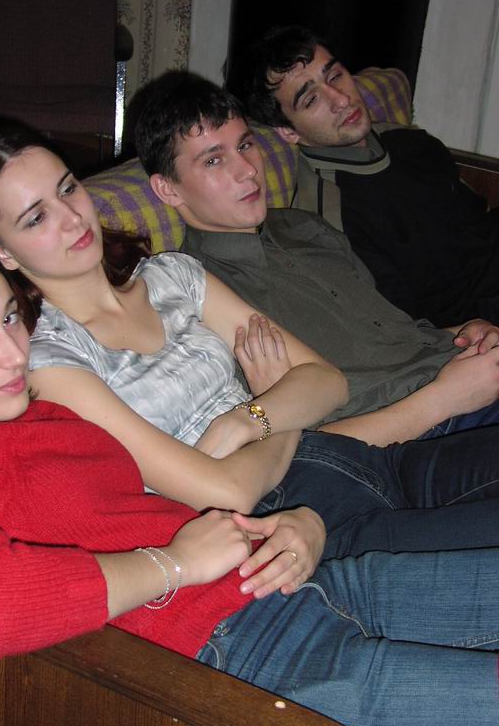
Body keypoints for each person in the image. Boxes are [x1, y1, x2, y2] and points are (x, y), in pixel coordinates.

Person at [0, 225, 499, 726]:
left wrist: (291, 528)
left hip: (288, 581)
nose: (15, 353)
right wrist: (175, 563)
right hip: (239, 657)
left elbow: (147, 514)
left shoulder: (34, 414)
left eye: (11, 318)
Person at [0, 117, 499, 565]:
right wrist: (277, 404)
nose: (73, 218)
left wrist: (246, 421)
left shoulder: (171, 275)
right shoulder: (51, 360)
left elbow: (327, 382)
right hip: (282, 527)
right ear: (1, 252)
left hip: (352, 459)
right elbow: (226, 491)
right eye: (35, 218)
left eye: (68, 188)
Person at [131, 69, 499, 446]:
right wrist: (446, 398)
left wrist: (464, 333)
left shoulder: (305, 226)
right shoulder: (203, 301)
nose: (248, 170)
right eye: (213, 161)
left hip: (466, 372)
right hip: (428, 431)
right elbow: (302, 450)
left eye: (245, 145)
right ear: (168, 189)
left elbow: (393, 333)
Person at [231, 25, 499, 328]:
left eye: (335, 76)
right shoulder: (328, 221)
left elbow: (478, 219)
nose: (341, 100)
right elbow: (403, 330)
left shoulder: (408, 139)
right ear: (288, 131)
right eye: (311, 100)